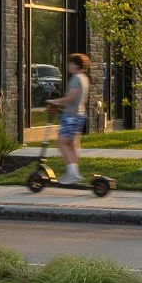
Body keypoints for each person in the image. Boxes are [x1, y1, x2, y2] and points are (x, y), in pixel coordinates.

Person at [48, 52, 91, 185]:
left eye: (70, 63)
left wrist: (55, 102)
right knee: (71, 145)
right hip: (79, 114)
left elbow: (71, 97)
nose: (68, 65)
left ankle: (72, 174)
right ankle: (74, 173)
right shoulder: (84, 78)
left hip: (71, 116)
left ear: (76, 65)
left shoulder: (75, 78)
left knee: (61, 143)